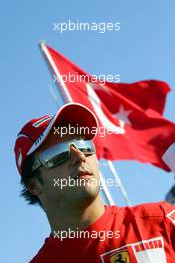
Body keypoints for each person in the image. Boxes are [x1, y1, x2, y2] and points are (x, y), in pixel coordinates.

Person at [14, 103, 175, 263]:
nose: (79, 156)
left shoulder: (163, 220)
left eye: (84, 146)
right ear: (33, 185)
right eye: (58, 154)